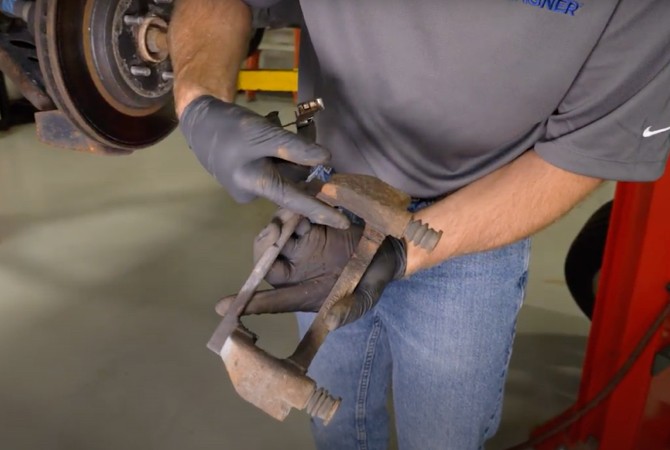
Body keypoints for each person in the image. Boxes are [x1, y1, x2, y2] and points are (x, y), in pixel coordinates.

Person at [169, 1, 670, 448]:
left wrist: (405, 252)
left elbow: (585, 152)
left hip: (478, 226)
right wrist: (197, 103)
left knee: (444, 437)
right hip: (325, 200)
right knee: (337, 425)